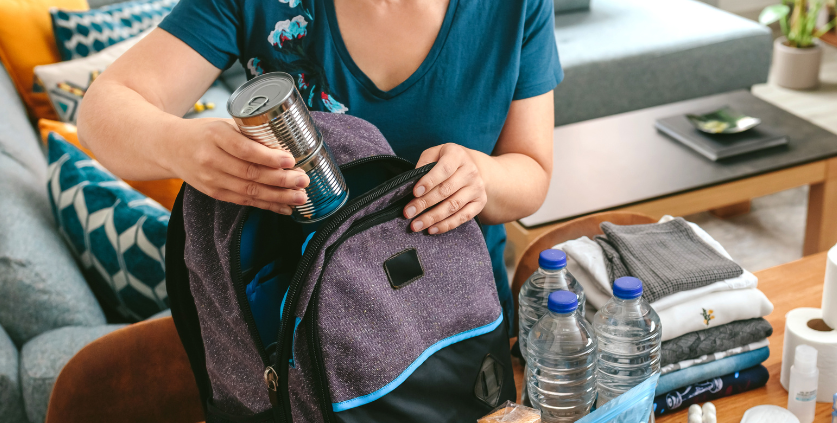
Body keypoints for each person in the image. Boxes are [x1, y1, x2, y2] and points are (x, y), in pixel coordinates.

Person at [78, 0, 563, 323]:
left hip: (462, 325)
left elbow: (531, 171)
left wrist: (482, 178)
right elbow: (102, 112)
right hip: (302, 343)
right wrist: (183, 146)